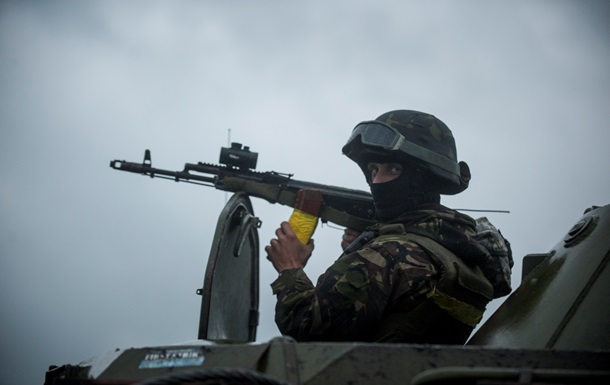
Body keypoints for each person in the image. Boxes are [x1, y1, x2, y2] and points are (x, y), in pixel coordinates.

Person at [265, 109, 494, 344]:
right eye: (373, 169)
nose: (376, 181)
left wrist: (290, 267)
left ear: (424, 175)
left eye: (393, 168)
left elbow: (304, 328)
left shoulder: (388, 256)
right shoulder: (464, 247)